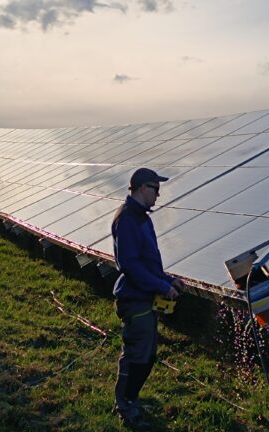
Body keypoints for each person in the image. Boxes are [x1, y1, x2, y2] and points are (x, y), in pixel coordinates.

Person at [111, 167, 183, 429]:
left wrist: (167, 280)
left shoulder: (141, 217)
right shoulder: (128, 219)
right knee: (137, 356)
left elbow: (148, 261)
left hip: (144, 295)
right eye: (155, 189)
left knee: (145, 354)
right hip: (135, 299)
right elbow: (130, 265)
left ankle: (130, 398)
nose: (158, 194)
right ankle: (125, 405)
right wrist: (160, 286)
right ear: (142, 188)